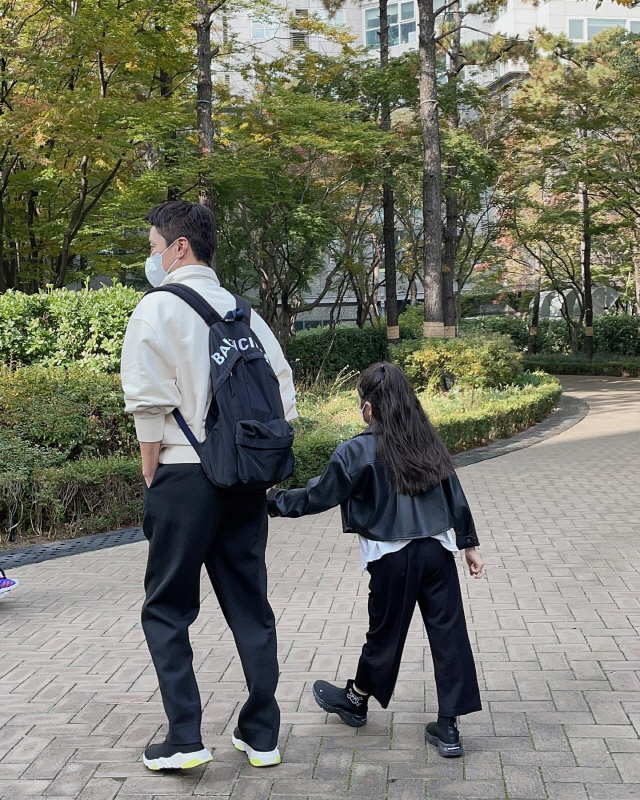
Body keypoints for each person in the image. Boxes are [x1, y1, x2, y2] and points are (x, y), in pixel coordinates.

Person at [121, 200, 296, 772]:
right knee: (251, 607)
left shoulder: (157, 308)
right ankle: (262, 735)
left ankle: (185, 738)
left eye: (154, 246)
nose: (151, 257)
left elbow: (148, 401)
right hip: (244, 480)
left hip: (182, 476)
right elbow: (283, 394)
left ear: (179, 247)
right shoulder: (246, 314)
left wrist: (152, 472)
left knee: (167, 610)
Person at [268, 362, 484, 758]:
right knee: (450, 635)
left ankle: (356, 700)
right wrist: (468, 544)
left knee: (384, 635)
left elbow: (319, 495)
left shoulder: (356, 450)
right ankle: (449, 728)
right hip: (438, 552)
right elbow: (454, 491)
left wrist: (272, 500)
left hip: (393, 557)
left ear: (368, 407)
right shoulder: (426, 441)